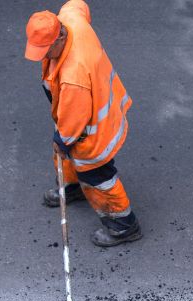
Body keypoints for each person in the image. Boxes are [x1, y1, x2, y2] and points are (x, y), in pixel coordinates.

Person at [24, 0, 140, 247]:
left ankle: (123, 225)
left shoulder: (73, 75)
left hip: (93, 131)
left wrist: (63, 139)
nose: (42, 56)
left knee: (98, 176)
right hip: (89, 110)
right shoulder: (70, 18)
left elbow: (74, 119)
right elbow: (78, 4)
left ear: (59, 37)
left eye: (45, 49)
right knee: (65, 155)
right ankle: (72, 187)